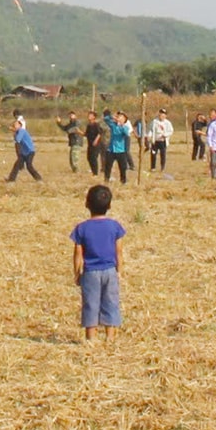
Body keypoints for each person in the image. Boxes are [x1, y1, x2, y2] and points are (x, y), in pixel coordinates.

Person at [70, 184, 125, 342]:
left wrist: (77, 273)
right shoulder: (115, 226)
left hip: (90, 272)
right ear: (109, 205)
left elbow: (78, 254)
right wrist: (119, 271)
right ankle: (110, 336)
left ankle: (91, 338)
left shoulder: (81, 228)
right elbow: (118, 252)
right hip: (110, 270)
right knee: (111, 301)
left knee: (91, 303)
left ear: (87, 204)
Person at [7, 115, 44, 182]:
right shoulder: (18, 132)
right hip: (23, 152)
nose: (14, 126)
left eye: (16, 125)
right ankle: (11, 179)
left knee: (29, 166)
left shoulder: (22, 131)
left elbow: (18, 139)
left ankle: (38, 178)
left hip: (29, 151)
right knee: (17, 165)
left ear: (20, 125)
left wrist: (14, 131)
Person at [104, 112, 134, 184]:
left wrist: (122, 125)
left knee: (122, 167)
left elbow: (127, 134)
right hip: (111, 149)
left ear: (124, 120)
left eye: (121, 117)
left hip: (120, 150)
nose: (119, 118)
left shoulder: (125, 127)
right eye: (119, 116)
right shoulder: (113, 125)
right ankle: (106, 179)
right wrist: (112, 117)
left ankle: (123, 181)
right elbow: (106, 119)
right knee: (108, 166)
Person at [83, 112, 106, 176]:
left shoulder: (96, 124)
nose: (89, 116)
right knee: (89, 158)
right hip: (90, 144)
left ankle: (95, 173)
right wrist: (78, 132)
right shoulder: (89, 125)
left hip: (96, 145)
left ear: (94, 117)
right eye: (88, 115)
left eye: (90, 115)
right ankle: (93, 171)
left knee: (94, 158)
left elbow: (99, 133)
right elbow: (86, 134)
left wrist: (96, 141)